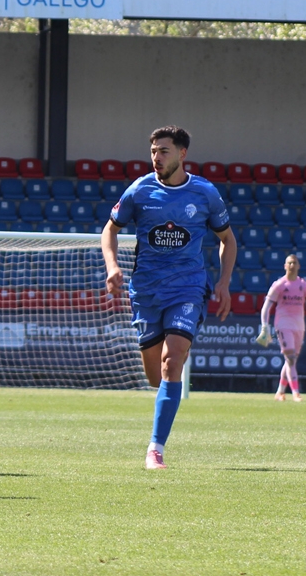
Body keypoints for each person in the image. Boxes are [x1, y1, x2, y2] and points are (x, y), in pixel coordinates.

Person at [101, 126, 237, 470]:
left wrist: (223, 283)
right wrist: (113, 266)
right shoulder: (141, 190)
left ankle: (155, 448)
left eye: (163, 151)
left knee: (171, 361)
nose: (156, 157)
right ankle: (164, 402)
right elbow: (110, 229)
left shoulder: (204, 193)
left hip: (188, 288)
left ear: (182, 154)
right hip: (147, 291)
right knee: (155, 377)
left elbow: (228, 240)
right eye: (153, 151)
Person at [257, 253, 306, 401]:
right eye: (289, 263)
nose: (292, 265)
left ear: (299, 266)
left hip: (299, 326)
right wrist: (265, 326)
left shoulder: (304, 286)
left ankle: (280, 392)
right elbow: (266, 306)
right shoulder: (280, 285)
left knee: (290, 361)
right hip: (283, 325)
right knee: (291, 358)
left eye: (294, 263)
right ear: (285, 266)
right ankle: (296, 393)